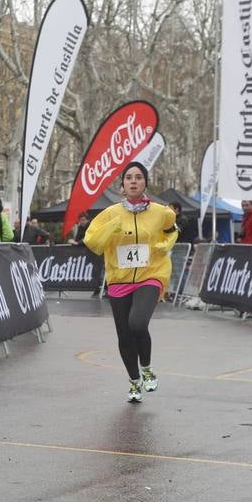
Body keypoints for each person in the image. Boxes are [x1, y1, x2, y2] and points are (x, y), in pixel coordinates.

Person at [82, 161, 179, 404]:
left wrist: (165, 245)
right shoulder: (110, 214)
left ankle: (146, 367)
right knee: (124, 335)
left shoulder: (161, 212)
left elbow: (172, 229)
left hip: (151, 274)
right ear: (122, 185)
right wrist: (110, 229)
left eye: (138, 177)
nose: (134, 181)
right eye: (129, 178)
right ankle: (134, 381)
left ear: (145, 182)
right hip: (119, 279)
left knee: (137, 324)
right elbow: (92, 242)